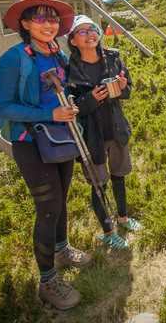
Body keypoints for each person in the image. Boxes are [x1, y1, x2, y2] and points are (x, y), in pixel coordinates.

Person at [0, 0, 89, 310]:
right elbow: (2, 107)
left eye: (52, 18)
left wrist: (69, 105)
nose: (48, 24)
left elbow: (63, 91)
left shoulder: (56, 52)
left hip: (61, 137)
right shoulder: (14, 57)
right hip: (31, 142)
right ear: (25, 23)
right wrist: (50, 115)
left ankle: (61, 250)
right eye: (39, 18)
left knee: (62, 198)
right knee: (48, 209)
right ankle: (47, 281)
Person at [65, 15, 144, 251]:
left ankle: (123, 218)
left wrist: (122, 87)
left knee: (119, 176)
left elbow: (127, 89)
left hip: (117, 129)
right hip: (92, 136)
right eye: (82, 32)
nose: (90, 35)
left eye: (93, 30)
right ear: (73, 40)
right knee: (99, 185)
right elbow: (73, 108)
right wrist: (91, 99)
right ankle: (108, 232)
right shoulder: (69, 70)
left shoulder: (112, 57)